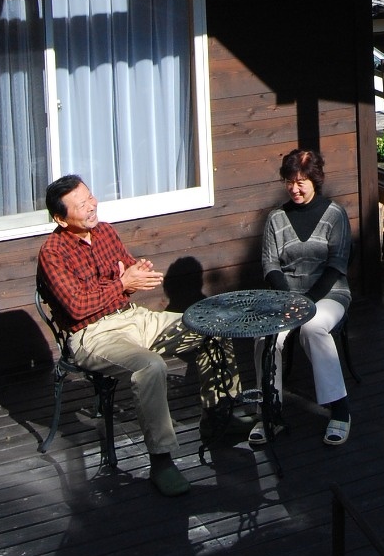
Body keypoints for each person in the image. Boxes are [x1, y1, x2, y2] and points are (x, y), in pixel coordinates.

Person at [36, 174, 251, 496]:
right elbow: (78, 306)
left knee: (212, 327)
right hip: (93, 334)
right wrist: (122, 284)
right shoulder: (53, 252)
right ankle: (161, 461)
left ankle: (219, 418)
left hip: (134, 317)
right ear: (60, 218)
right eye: (81, 205)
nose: (92, 206)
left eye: (91, 197)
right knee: (149, 366)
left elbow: (127, 269)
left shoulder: (105, 231)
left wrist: (139, 271)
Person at [255, 148, 352, 447]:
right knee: (266, 336)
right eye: (289, 181)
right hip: (287, 296)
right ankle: (269, 412)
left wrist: (308, 302)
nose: (294, 188)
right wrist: (290, 300)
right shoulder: (276, 218)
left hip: (328, 294)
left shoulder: (335, 215)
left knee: (313, 327)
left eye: (301, 181)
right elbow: (269, 264)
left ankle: (340, 410)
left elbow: (337, 264)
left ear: (315, 180)